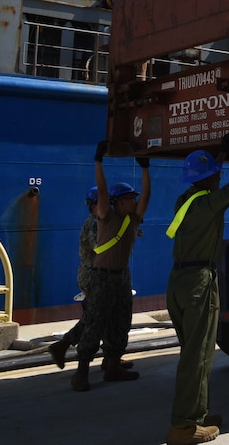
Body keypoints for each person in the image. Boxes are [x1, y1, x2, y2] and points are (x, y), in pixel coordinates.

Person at [165, 115, 229, 445]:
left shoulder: (187, 201)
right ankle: (183, 427)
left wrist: (221, 153)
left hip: (178, 282)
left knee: (194, 352)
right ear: (211, 178)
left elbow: (211, 176)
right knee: (198, 356)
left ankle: (197, 415)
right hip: (199, 282)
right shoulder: (212, 203)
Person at [72, 141, 150, 392]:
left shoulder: (133, 219)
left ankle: (113, 365)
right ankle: (81, 372)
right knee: (95, 323)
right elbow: (102, 192)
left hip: (121, 277)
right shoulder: (106, 217)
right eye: (129, 198)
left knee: (121, 322)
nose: (134, 201)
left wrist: (146, 168)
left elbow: (147, 196)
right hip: (101, 277)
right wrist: (98, 162)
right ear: (118, 202)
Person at [48, 186, 138, 371]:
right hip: (94, 276)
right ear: (93, 205)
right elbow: (101, 246)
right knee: (96, 318)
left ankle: (110, 357)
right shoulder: (93, 223)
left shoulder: (110, 221)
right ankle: (65, 346)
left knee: (109, 317)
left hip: (110, 275)